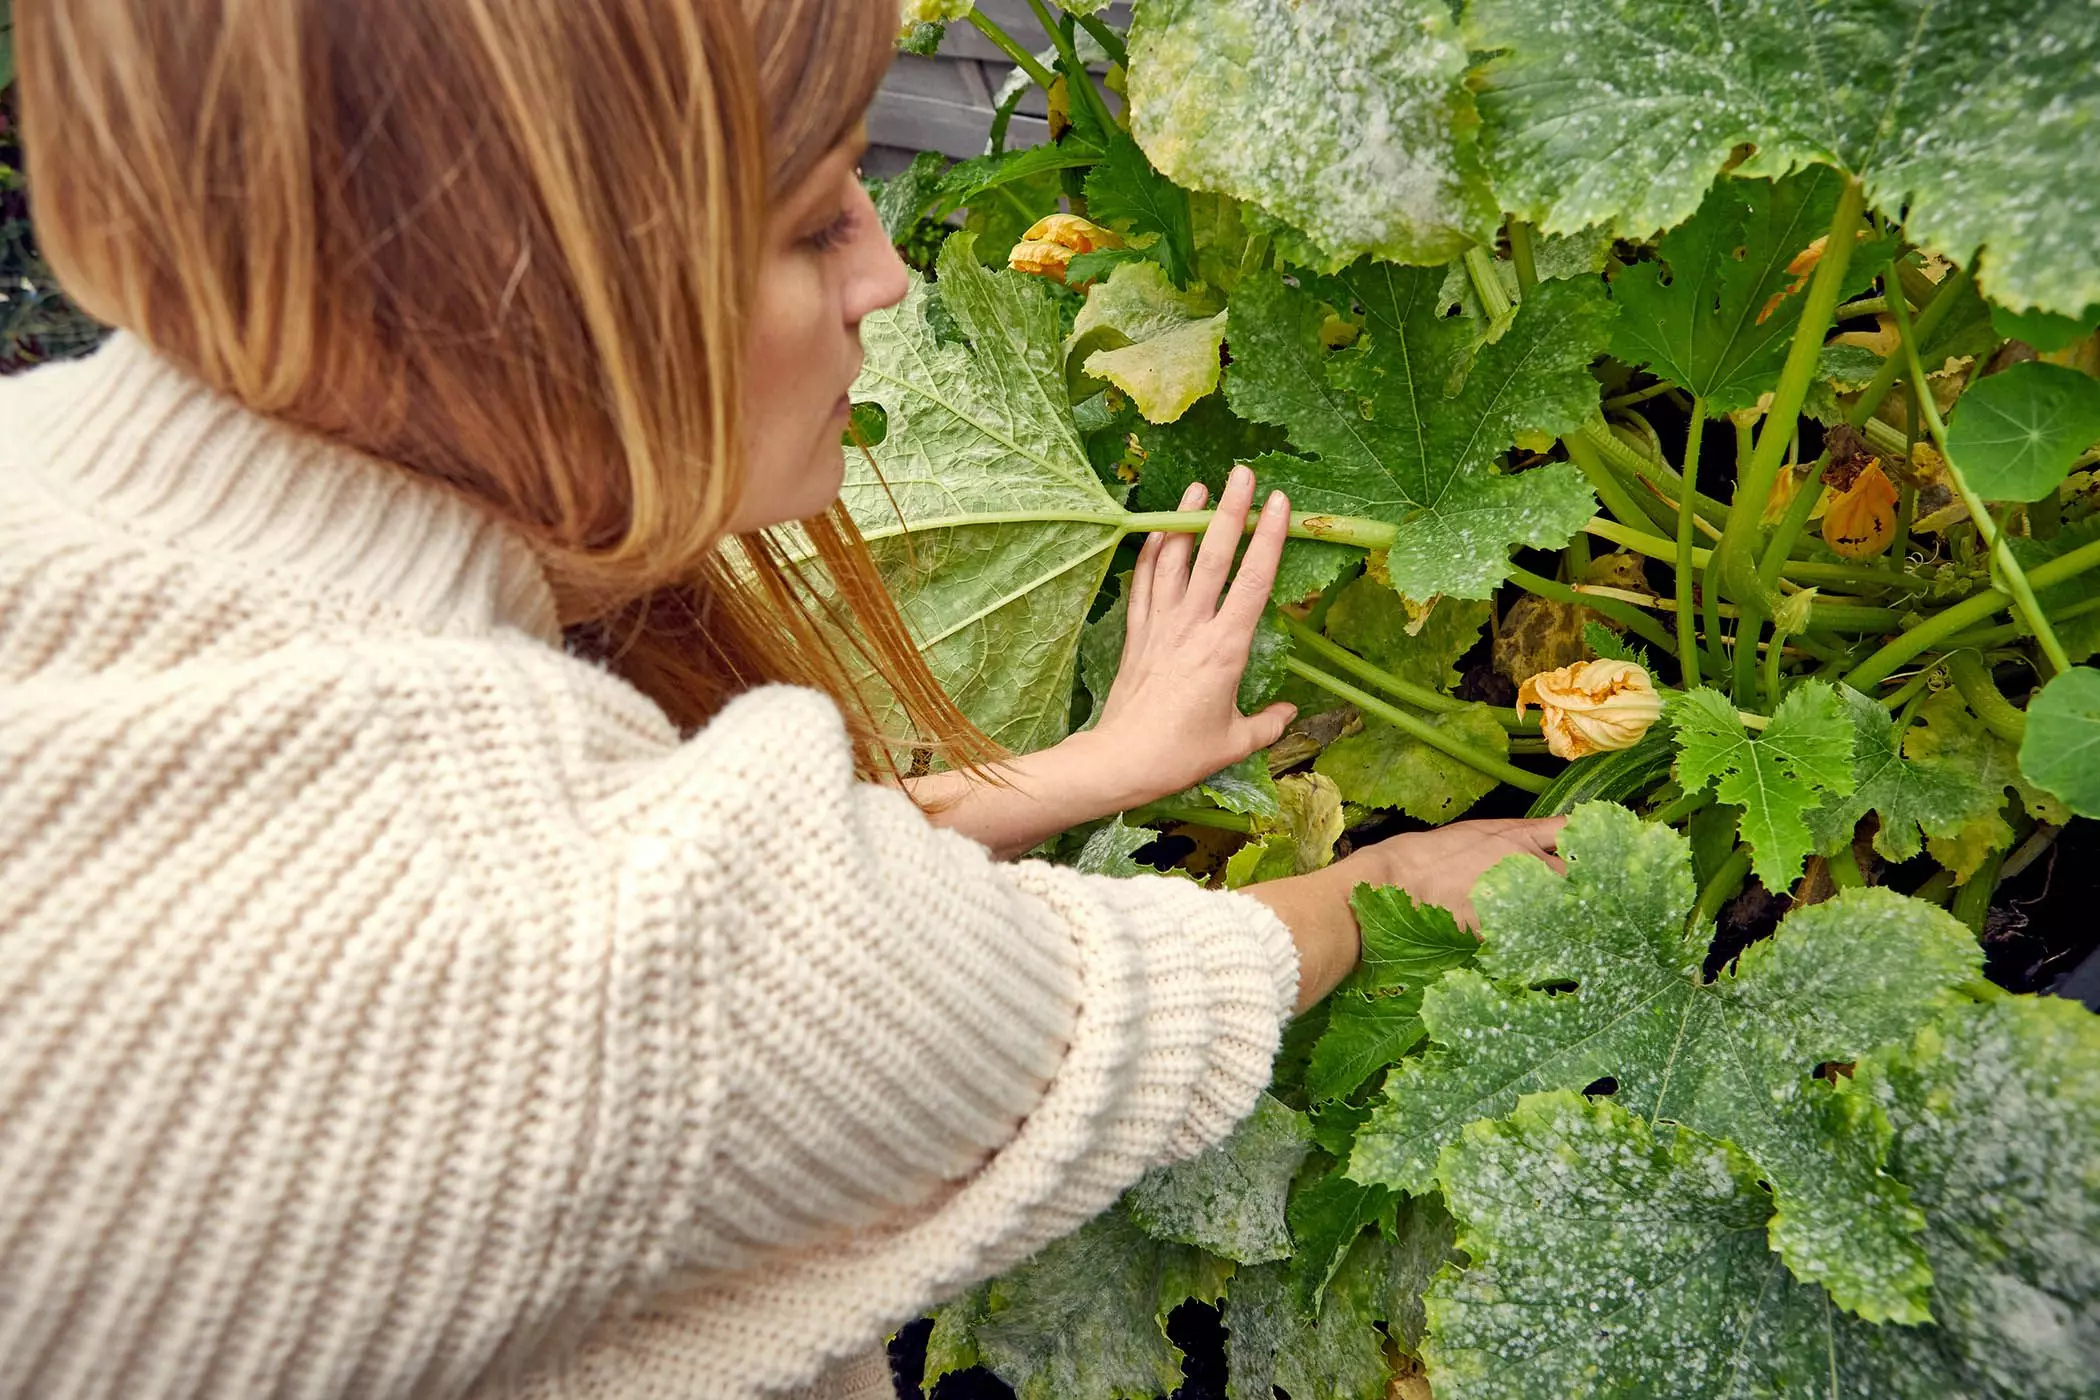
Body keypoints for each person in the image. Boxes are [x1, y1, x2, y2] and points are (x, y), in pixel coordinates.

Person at [0, 2, 1563, 1396]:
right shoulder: (550, 943)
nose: (887, 270)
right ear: (545, 294)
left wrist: (1094, 765)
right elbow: (1043, 1008)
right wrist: (1385, 886)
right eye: (815, 222)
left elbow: (711, 900)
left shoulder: (49, 477)